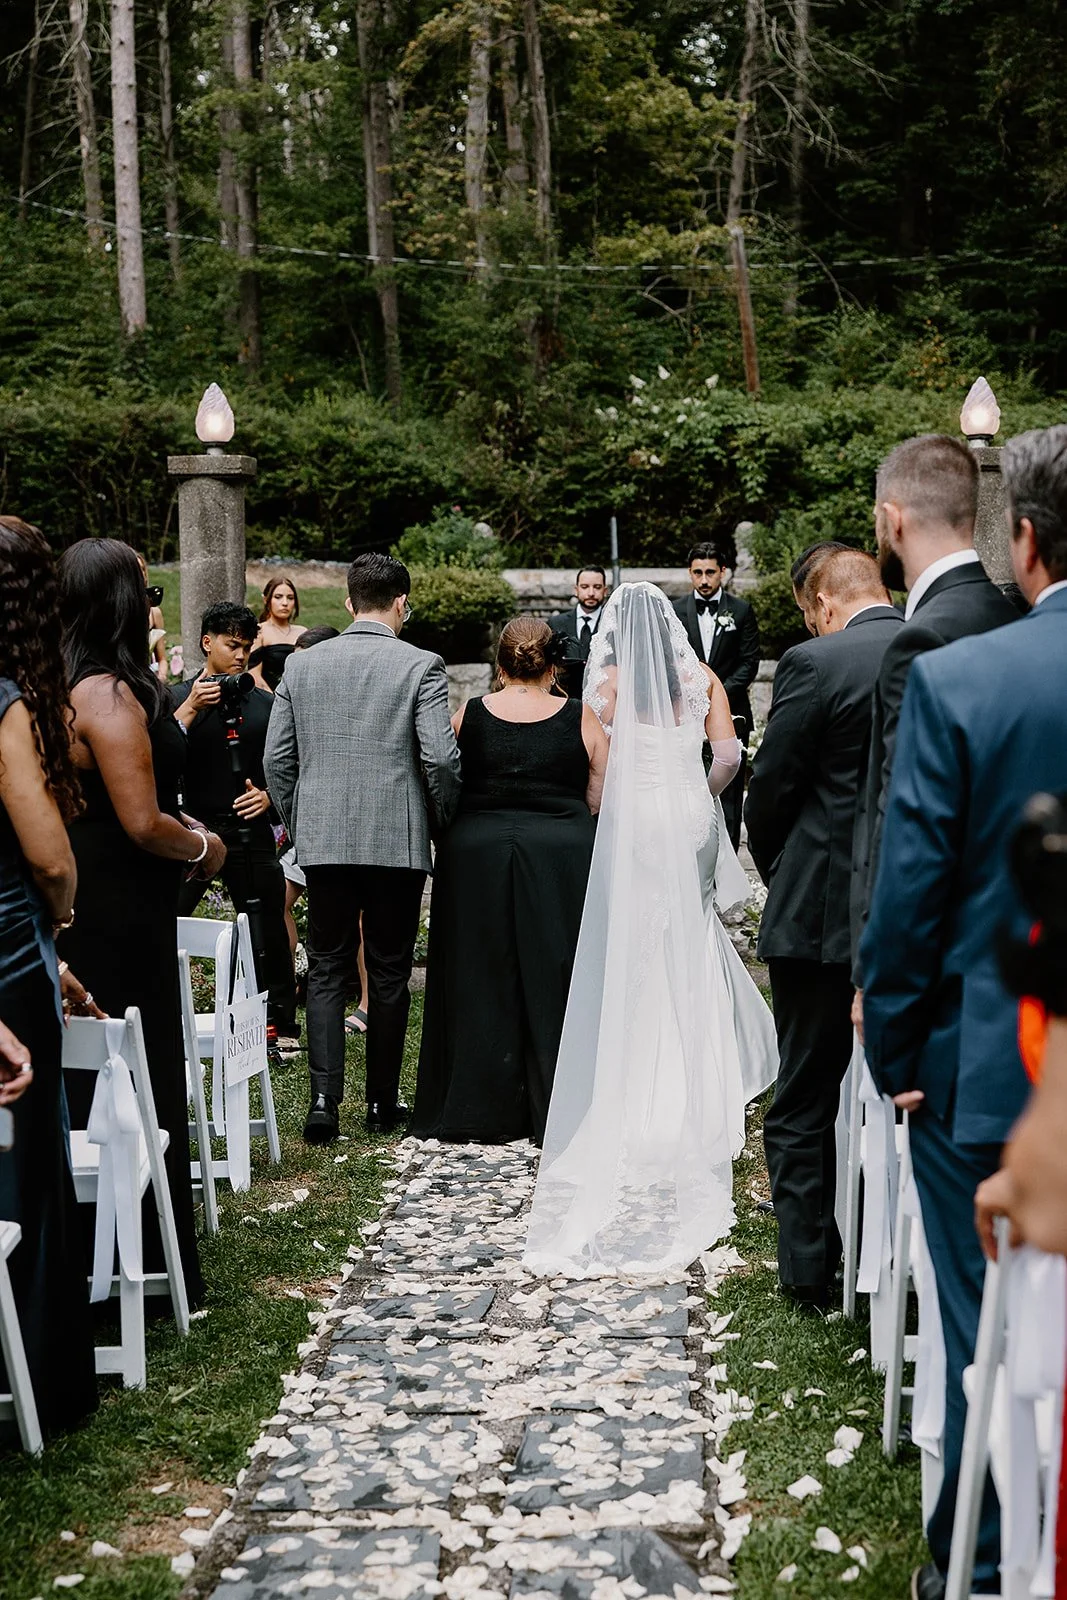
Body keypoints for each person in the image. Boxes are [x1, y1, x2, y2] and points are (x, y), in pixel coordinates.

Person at [861, 424, 1067, 1600]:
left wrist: (897, 1047)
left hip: (990, 1073)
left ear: (1023, 539)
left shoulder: (960, 677)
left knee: (988, 1326)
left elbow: (910, 892)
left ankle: (983, 1565)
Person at [524, 582, 777, 1278]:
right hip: (690, 817)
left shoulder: (602, 688)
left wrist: (608, 811)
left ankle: (639, 1090)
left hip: (634, 824)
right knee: (689, 935)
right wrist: (699, 793)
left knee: (636, 940)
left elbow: (594, 769)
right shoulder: (701, 679)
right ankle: (705, 1082)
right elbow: (727, 757)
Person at [58, 538, 227, 1307]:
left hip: (100, 899)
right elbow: (138, 821)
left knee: (102, 1072)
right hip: (119, 906)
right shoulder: (106, 696)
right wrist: (203, 843)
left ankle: (104, 1261)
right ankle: (144, 1270)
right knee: (133, 1069)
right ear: (124, 602)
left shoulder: (65, 682)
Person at [745, 548, 902, 1311]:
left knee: (805, 1090)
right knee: (902, 1093)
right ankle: (891, 1256)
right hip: (911, 913)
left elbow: (772, 785)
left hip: (819, 913)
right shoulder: (939, 647)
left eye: (808, 612)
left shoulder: (814, 661)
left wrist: (782, 869)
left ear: (822, 603)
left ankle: (810, 1271)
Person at [265, 553, 461, 1144]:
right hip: (396, 839)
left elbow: (277, 760)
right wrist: (440, 820)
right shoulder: (422, 665)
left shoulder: (303, 666)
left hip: (323, 838)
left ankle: (323, 1102)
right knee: (390, 969)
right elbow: (440, 758)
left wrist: (303, 822)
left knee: (326, 967)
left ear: (349, 603)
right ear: (402, 601)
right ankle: (380, 1103)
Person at [412, 618, 608, 1145]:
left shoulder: (469, 713)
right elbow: (599, 794)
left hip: (476, 853)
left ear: (499, 666)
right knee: (557, 973)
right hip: (561, 853)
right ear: (553, 665)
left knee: (477, 972)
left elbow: (442, 774)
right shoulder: (580, 716)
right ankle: (559, 1108)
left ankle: (479, 1108)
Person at [852, 433, 1020, 1021]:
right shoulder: (1014, 615)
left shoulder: (920, 638)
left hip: (942, 973)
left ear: (891, 519)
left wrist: (877, 978)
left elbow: (901, 818)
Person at [0, 515, 98, 1435]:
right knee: (26, 1161)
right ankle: (37, 1370)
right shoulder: (6, 702)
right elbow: (47, 851)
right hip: (6, 953)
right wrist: (57, 918)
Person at [172, 603, 299, 1052]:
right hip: (192, 833)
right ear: (207, 642)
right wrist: (188, 708)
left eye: (247, 647)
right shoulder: (175, 699)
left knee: (268, 924)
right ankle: (165, 1013)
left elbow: (291, 764)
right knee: (170, 916)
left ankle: (280, 1022)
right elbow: (157, 759)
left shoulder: (267, 704)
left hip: (251, 827)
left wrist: (268, 798)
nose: (241, 655)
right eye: (231, 645)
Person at [673, 542, 760, 850]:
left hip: (733, 712)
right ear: (690, 573)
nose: (704, 579)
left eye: (711, 572)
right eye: (698, 572)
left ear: (723, 572)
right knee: (690, 785)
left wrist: (714, 692)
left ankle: (731, 856)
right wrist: (693, 695)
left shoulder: (741, 610)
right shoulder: (675, 609)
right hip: (685, 716)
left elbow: (750, 662)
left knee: (732, 791)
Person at [546, 567, 609, 698]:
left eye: (597, 587)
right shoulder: (556, 623)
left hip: (602, 699)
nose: (591, 593)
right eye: (585, 587)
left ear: (605, 590)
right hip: (564, 699)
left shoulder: (613, 625)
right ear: (576, 590)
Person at [135, 552, 168, 675]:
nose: (141, 574)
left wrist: (161, 677)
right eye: (136, 570)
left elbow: (162, 659)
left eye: (143, 569)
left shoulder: (154, 613)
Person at [255, 575, 306, 648]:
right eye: (278, 597)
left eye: (290, 598)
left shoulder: (302, 632)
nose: (285, 603)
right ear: (266, 600)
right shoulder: (259, 631)